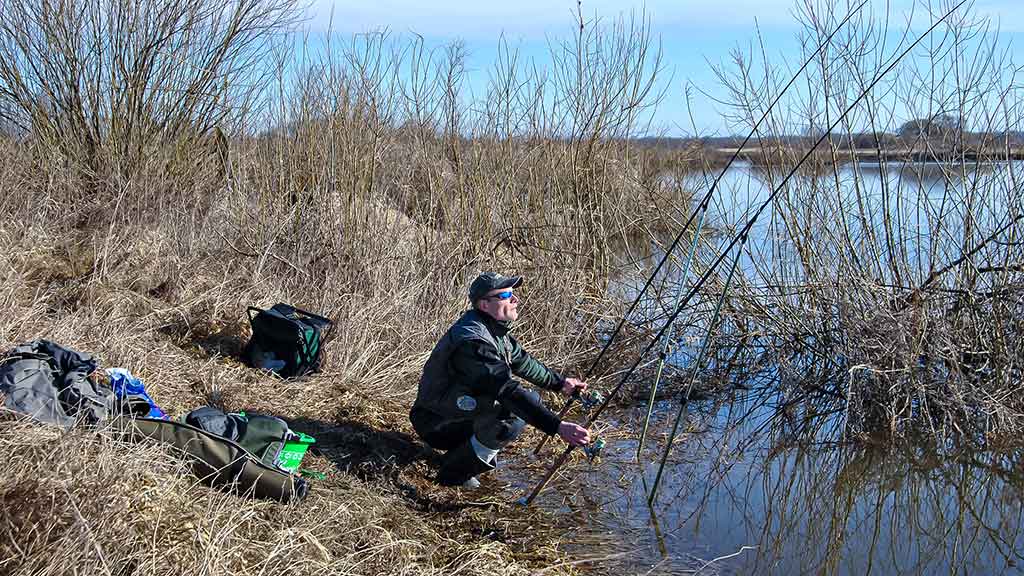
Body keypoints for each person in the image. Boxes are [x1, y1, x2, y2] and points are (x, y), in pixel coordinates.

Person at [410, 272, 592, 488]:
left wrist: (560, 384)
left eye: (513, 293)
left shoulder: (494, 331)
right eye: (506, 294)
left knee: (527, 401)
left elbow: (524, 363)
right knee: (512, 413)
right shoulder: (473, 342)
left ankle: (463, 456)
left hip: (455, 412)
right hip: (435, 423)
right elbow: (507, 390)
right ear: (484, 305)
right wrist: (558, 427)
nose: (516, 300)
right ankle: (453, 473)